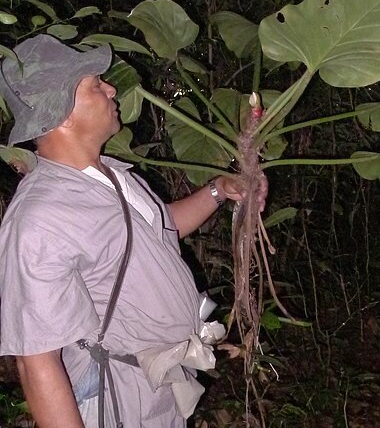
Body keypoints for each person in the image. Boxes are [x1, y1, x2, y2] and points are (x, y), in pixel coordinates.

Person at [0, 34, 267, 428]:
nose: (111, 88)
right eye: (94, 84)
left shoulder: (111, 175)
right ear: (62, 112)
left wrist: (217, 190)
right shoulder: (41, 217)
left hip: (158, 388)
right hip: (114, 398)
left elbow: (159, 231)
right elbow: (36, 361)